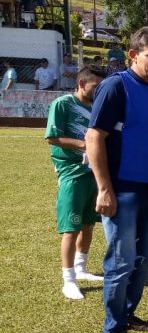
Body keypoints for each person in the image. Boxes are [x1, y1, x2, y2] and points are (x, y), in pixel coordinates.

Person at [85, 26, 148, 333]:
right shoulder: (115, 86)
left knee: (143, 257)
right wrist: (104, 188)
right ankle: (113, 330)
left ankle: (127, 314)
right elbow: (94, 137)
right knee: (120, 261)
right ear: (133, 55)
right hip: (121, 189)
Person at [45, 65, 108, 299]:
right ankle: (68, 280)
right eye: (96, 87)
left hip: (94, 171)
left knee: (88, 223)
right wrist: (86, 145)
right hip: (72, 172)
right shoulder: (62, 104)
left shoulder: (96, 107)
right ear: (82, 84)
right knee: (70, 227)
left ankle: (81, 269)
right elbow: (53, 137)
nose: (99, 92)